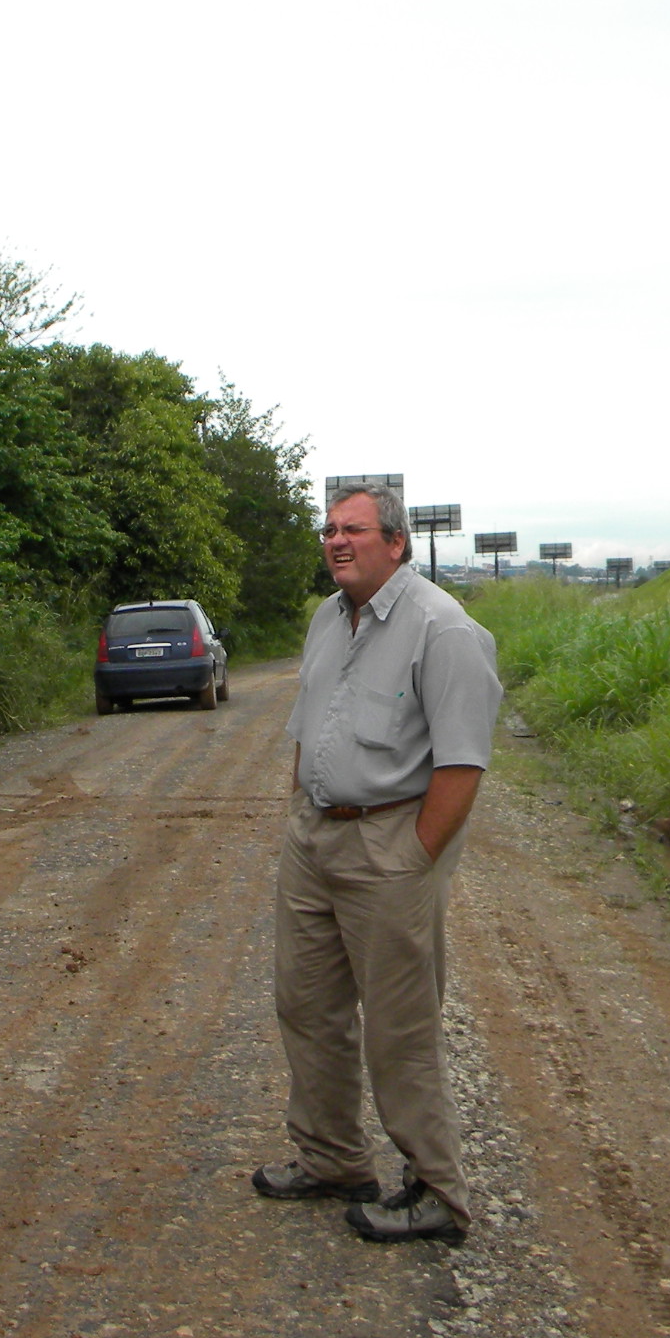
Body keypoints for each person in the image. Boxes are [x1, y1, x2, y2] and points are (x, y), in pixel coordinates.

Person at [251, 482, 501, 1244]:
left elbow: (462, 763)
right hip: (314, 839)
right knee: (306, 1006)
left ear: (396, 542)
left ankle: (437, 1190)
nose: (336, 540)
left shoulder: (444, 629)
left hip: (388, 845)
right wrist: (301, 808)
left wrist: (414, 857)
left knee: (400, 1029)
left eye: (353, 530)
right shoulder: (327, 619)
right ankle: (332, 1159)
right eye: (329, 529)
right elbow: (309, 726)